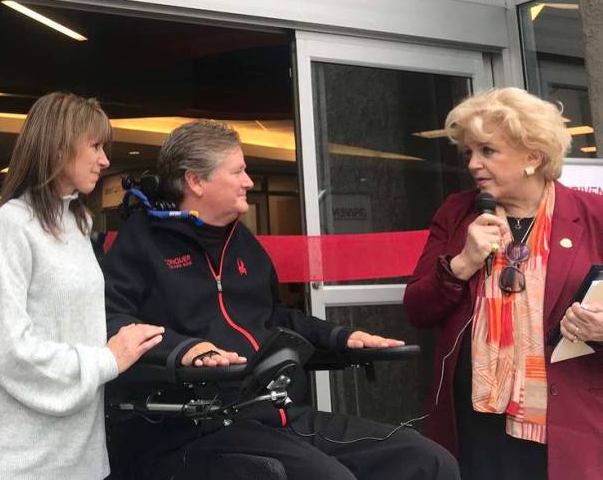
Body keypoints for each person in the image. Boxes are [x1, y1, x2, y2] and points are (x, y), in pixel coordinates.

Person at [103, 119, 459, 480]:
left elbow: (276, 317)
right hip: (193, 427)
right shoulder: (141, 244)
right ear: (195, 180)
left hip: (273, 411)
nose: (249, 182)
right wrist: (186, 350)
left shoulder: (243, 244)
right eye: (238, 171)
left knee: (428, 460)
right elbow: (111, 321)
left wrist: (341, 337)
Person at [0, 91, 164, 480]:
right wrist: (107, 359)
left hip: (81, 458)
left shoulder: (81, 224)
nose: (105, 160)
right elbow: (9, 351)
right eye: (95, 146)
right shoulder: (12, 224)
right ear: (57, 148)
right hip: (17, 461)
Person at [404, 87, 603, 480]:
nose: (474, 164)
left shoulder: (593, 214)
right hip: (477, 416)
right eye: (469, 153)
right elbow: (417, 309)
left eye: (488, 151)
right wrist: (462, 262)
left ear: (533, 157)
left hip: (569, 416)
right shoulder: (456, 213)